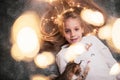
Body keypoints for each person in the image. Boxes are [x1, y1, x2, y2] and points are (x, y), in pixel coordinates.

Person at [55, 8, 117, 80]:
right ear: (63, 33)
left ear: (82, 29)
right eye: (67, 31)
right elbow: (66, 78)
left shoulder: (92, 40)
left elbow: (109, 60)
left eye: (76, 29)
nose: (73, 34)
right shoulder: (62, 55)